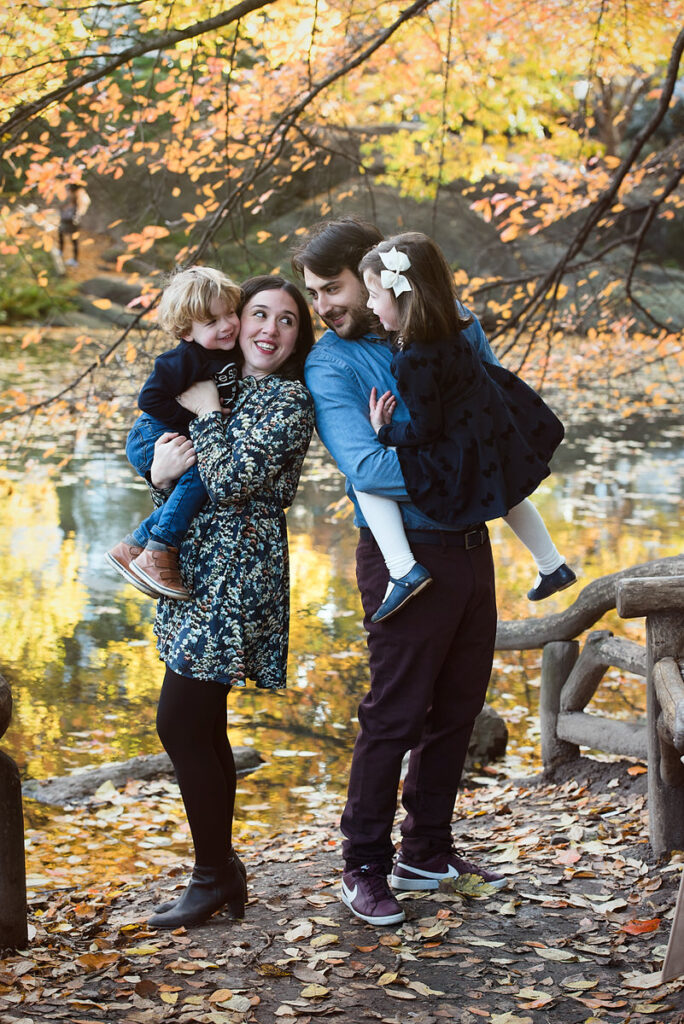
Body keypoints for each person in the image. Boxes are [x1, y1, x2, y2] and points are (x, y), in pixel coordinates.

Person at [292, 217, 505, 928]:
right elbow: (369, 467)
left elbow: (496, 420)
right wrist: (466, 470)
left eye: (333, 288)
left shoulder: (450, 328)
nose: (323, 306)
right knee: (395, 714)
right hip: (403, 555)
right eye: (313, 294)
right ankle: (363, 863)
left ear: (375, 271)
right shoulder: (333, 364)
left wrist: (474, 466)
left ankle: (427, 850)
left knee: (459, 710)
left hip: (475, 546)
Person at [140, 274, 315, 930]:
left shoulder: (290, 401)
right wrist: (157, 472)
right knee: (200, 722)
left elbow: (230, 478)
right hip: (194, 565)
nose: (269, 328)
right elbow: (171, 456)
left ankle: (214, 873)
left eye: (287, 320)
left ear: (298, 337)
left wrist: (208, 418)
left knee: (179, 721)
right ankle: (220, 870)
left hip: (240, 572)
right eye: (258, 313)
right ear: (235, 321)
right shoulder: (219, 377)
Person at [353, 232, 575, 622]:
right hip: (487, 437)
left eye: (374, 295)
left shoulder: (412, 360)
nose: (369, 306)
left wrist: (384, 431)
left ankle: (403, 568)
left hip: (456, 453)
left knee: (364, 476)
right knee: (506, 494)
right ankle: (552, 563)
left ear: (402, 294)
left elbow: (426, 429)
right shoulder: (451, 332)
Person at [105, 267, 243, 599]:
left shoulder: (231, 348)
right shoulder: (181, 359)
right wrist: (194, 413)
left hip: (173, 433)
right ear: (186, 332)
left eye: (231, 313)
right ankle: (159, 550)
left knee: (201, 481)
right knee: (202, 470)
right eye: (212, 322)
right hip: (151, 434)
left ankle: (133, 547)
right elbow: (148, 399)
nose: (226, 325)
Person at [58, 182, 90, 266]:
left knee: (73, 240)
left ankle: (74, 260)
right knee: (61, 234)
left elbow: (80, 210)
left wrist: (75, 217)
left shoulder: (80, 196)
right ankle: (61, 251)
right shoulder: (74, 197)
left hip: (71, 222)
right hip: (67, 220)